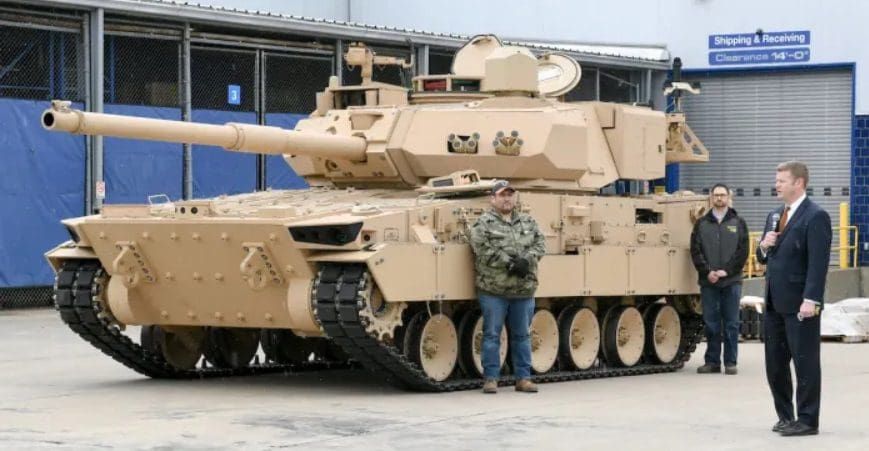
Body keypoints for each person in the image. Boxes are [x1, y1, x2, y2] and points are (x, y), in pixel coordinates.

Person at [757, 161, 831, 436]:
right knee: (775, 365)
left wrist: (811, 298)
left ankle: (808, 420)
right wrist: (763, 246)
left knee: (805, 363)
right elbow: (764, 258)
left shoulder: (816, 216)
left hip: (801, 304)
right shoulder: (775, 215)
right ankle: (785, 416)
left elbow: (818, 263)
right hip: (774, 302)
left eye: (781, 181)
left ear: (798, 183)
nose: (776, 185)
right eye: (776, 180)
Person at [469, 180, 546, 394]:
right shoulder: (483, 223)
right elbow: (481, 247)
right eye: (502, 195)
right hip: (494, 290)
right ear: (493, 199)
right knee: (491, 335)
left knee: (522, 335)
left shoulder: (528, 222)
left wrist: (526, 260)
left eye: (510, 195)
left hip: (523, 290)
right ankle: (491, 379)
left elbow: (541, 244)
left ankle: (523, 378)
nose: (507, 199)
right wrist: (510, 263)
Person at [690, 184, 749, 375]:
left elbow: (743, 252)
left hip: (731, 282)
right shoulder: (701, 224)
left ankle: (730, 362)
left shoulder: (738, 223)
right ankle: (712, 362)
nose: (719, 198)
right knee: (711, 323)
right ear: (711, 197)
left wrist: (727, 271)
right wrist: (707, 272)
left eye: (722, 195)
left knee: (731, 323)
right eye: (716, 195)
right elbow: (696, 251)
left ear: (728, 197)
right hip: (709, 282)